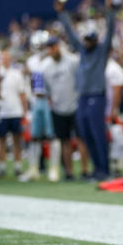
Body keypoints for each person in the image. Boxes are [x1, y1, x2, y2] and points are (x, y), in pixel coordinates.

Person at [54, 0, 116, 181]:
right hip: (82, 97)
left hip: (97, 97)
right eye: (86, 39)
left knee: (98, 134)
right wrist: (62, 14)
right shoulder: (81, 50)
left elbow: (110, 32)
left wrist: (110, 13)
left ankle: (104, 170)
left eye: (90, 39)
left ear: (95, 40)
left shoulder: (101, 52)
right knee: (86, 135)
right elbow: (71, 34)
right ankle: (96, 169)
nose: (87, 42)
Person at [21, 31, 60, 182]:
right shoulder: (31, 61)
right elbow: (31, 81)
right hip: (37, 100)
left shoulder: (52, 61)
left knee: (52, 135)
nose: (40, 48)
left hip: (50, 100)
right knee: (35, 136)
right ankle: (33, 168)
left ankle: (54, 168)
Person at [43, 36, 81, 181]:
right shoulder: (45, 66)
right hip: (58, 108)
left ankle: (85, 171)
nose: (53, 49)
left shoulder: (72, 61)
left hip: (75, 105)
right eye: (50, 47)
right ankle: (69, 172)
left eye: (55, 46)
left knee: (81, 139)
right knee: (64, 141)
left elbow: (80, 80)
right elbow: (46, 91)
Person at [0, 50, 27, 178]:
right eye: (3, 58)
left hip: (15, 111)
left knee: (16, 140)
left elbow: (22, 94)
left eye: (7, 58)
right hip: (1, 112)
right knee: (1, 140)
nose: (5, 60)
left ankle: (18, 166)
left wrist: (24, 112)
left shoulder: (16, 74)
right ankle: (2, 167)